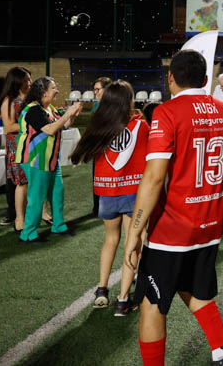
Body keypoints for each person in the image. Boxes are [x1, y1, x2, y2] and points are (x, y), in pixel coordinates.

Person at [123, 50, 223, 366]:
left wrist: (135, 231)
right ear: (205, 80)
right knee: (195, 290)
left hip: (171, 231)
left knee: (152, 303)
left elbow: (153, 177)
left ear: (171, 78)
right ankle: (222, 353)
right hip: (209, 226)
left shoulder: (166, 112)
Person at [70, 81, 148, 316]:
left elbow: (82, 155)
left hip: (107, 193)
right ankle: (123, 299)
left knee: (110, 240)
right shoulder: (140, 126)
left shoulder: (99, 125)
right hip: (133, 192)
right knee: (132, 244)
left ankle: (101, 289)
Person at [16, 77, 82, 243]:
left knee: (57, 193)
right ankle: (28, 234)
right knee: (37, 197)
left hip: (50, 159)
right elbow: (50, 129)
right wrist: (67, 113)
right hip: (35, 160)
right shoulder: (33, 110)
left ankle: (58, 226)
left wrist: (71, 116)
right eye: (54, 87)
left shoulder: (49, 108)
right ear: (43, 92)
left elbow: (63, 125)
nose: (57, 90)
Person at [0, 67, 32, 230]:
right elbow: (8, 127)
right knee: (20, 183)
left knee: (29, 183)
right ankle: (18, 219)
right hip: (17, 148)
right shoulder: (10, 100)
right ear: (17, 81)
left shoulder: (29, 99)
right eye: (27, 79)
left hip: (31, 146)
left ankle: (26, 216)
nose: (30, 82)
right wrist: (30, 126)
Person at [91, 77, 113, 216]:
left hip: (111, 147)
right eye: (95, 90)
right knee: (97, 177)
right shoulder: (96, 106)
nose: (96, 93)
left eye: (98, 89)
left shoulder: (114, 105)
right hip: (98, 147)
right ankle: (97, 206)